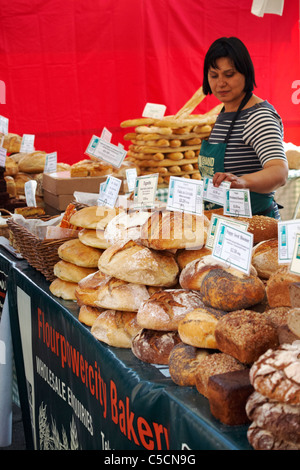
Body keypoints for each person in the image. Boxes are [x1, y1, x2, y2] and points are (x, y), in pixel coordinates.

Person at [199, 36, 288, 219]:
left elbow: (279, 172)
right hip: (225, 223)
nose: (220, 83)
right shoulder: (224, 113)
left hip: (253, 224)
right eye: (214, 76)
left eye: (229, 74)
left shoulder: (258, 116)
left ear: (246, 73)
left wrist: (242, 181)